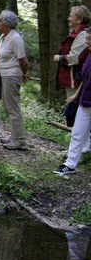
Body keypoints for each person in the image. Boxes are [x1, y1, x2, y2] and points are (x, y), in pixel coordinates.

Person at [54, 28, 91, 175]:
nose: (88, 41)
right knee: (77, 132)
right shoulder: (88, 54)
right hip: (85, 101)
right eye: (87, 38)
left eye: (90, 39)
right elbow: (85, 78)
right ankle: (70, 165)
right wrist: (76, 94)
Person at [0, 10, 30, 150]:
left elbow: (23, 60)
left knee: (13, 108)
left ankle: (20, 140)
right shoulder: (3, 37)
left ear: (8, 24)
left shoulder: (15, 38)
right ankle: (14, 136)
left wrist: (24, 73)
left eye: (0, 20)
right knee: (7, 107)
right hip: (3, 74)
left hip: (12, 75)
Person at [54, 6, 90, 98]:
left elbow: (75, 58)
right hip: (72, 79)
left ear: (79, 20)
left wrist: (60, 58)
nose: (68, 19)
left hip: (76, 80)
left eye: (71, 16)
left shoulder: (83, 35)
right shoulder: (75, 33)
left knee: (74, 108)